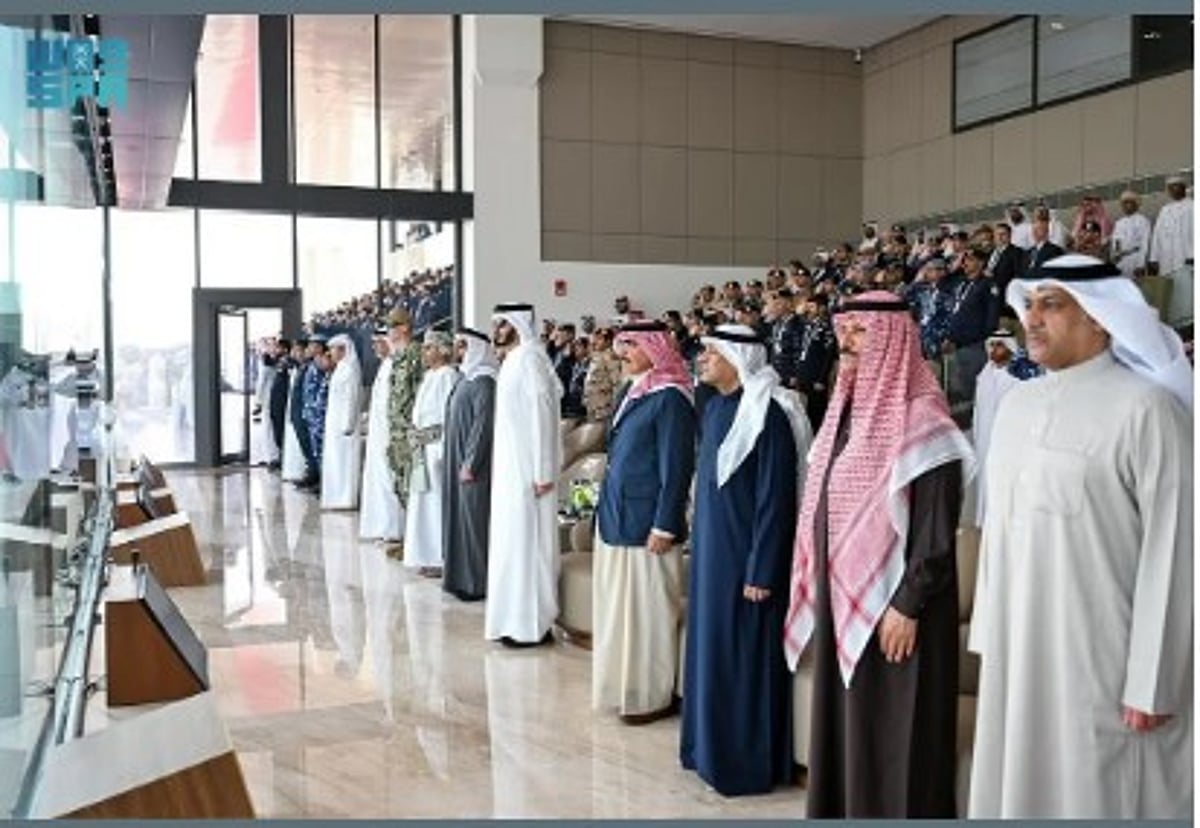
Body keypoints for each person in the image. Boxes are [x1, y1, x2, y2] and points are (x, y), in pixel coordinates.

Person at [968, 254, 1193, 818]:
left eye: (1051, 305)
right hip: (1019, 652)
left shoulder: (1148, 409)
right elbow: (999, 530)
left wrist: (1154, 679)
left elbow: (1176, 552)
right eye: (1029, 306)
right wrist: (993, 635)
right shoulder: (1016, 406)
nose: (1031, 319)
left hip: (1103, 661)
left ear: (1099, 317)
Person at [785, 291, 975, 818]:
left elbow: (936, 530)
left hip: (899, 615)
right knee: (847, 731)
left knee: (896, 742)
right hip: (845, 605)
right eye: (843, 330)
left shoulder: (924, 421)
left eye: (860, 330)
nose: (846, 341)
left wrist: (907, 604)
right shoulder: (844, 415)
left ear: (893, 340)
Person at [680, 324, 813, 797]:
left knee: (741, 657)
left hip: (747, 562)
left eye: (712, 353)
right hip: (713, 554)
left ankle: (742, 764)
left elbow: (776, 500)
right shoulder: (716, 408)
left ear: (739, 359)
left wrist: (762, 568)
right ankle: (706, 750)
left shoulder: (769, 415)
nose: (703, 360)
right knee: (712, 653)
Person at [593, 321, 696, 725]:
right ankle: (624, 689)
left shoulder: (671, 398)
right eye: (622, 345)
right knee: (619, 613)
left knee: (648, 614)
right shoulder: (631, 391)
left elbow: (677, 467)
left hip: (648, 526)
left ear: (656, 349)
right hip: (616, 518)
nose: (624, 353)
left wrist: (665, 524)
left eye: (633, 345)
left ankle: (652, 696)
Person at [485, 303, 563, 648]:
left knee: (530, 548)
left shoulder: (531, 359)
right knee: (511, 547)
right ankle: (511, 621)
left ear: (518, 325)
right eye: (496, 324)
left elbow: (542, 416)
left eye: (503, 324)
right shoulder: (514, 359)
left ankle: (532, 626)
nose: (497, 331)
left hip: (529, 474)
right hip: (510, 472)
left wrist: (543, 470)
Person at [442, 327, 498, 602]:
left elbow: (482, 426)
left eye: (463, 346)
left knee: (473, 521)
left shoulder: (485, 382)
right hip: (455, 458)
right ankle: (457, 578)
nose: (459, 351)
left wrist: (471, 463)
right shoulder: (466, 378)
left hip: (472, 466)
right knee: (457, 520)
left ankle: (476, 583)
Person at [403, 331, 460, 578]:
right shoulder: (430, 376)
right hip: (422, 447)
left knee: (436, 503)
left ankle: (440, 557)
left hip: (436, 447)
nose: (424, 352)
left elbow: (449, 415)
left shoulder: (448, 375)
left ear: (443, 350)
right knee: (422, 503)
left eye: (429, 348)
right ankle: (424, 555)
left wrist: (441, 447)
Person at [970, 329, 1038, 528]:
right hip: (985, 442)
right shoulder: (984, 375)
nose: (993, 350)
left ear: (1010, 347)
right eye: (991, 345)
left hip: (1011, 443)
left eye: (999, 345)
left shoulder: (1021, 377)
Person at [386, 310, 424, 559]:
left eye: (393, 326)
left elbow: (420, 394)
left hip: (410, 433)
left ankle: (416, 544)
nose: (389, 331)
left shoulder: (416, 355)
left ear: (405, 328)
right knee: (400, 486)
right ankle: (409, 540)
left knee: (413, 489)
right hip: (397, 433)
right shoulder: (398, 357)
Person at [359, 326, 404, 543]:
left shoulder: (395, 365)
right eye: (374, 343)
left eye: (379, 342)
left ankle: (394, 530)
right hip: (378, 434)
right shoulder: (385, 365)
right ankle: (383, 527)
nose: (375, 347)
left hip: (389, 435)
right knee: (379, 480)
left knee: (389, 481)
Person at [320, 335, 364, 510]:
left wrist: (348, 424)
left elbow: (351, 398)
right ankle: (335, 496)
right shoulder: (340, 368)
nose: (330, 353)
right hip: (334, 421)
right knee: (335, 460)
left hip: (344, 424)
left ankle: (345, 498)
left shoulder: (350, 370)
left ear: (343, 350)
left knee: (344, 461)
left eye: (333, 349)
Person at [1148, 173, 1194, 329]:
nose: (1174, 190)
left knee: (1186, 292)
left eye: (1177, 186)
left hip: (1185, 258)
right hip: (1166, 260)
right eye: (1171, 187)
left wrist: (1193, 255)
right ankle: (1173, 325)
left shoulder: (1193, 206)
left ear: (1184, 188)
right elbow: (1157, 235)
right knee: (1169, 292)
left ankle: (1188, 325)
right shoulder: (1165, 210)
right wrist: (1154, 258)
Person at [301, 336, 332, 492]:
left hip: (319, 414)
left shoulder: (322, 363)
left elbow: (322, 391)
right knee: (315, 449)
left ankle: (323, 482)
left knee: (321, 450)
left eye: (313, 345)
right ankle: (318, 479)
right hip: (311, 412)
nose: (309, 348)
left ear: (320, 348)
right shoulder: (312, 364)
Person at [281, 338, 311, 484]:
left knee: (306, 445)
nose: (295, 353)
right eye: (294, 350)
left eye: (298, 350)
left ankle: (309, 473)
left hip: (303, 413)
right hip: (294, 411)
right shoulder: (298, 368)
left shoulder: (309, 368)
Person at [583, 327, 623, 423]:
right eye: (595, 338)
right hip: (593, 405)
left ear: (608, 341)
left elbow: (617, 384)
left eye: (599, 339)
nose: (595, 342)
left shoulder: (610, 358)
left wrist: (616, 407)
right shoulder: (597, 356)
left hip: (603, 408)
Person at [1111, 189, 1153, 280]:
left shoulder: (1143, 220)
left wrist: (1141, 265)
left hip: (1135, 258)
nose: (1126, 206)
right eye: (1124, 203)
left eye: (1129, 202)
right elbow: (1116, 242)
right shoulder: (1119, 223)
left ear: (1136, 204)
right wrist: (1115, 256)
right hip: (1121, 260)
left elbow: (1145, 244)